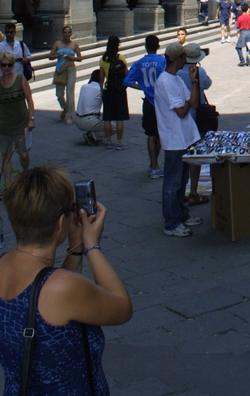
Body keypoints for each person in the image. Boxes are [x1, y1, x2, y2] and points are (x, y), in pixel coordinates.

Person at [0, 166, 132, 393]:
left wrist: (76, 248)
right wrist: (92, 246)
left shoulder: (5, 265)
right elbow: (122, 308)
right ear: (61, 223)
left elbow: (46, 292)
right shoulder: (62, 288)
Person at [154, 42, 202, 237]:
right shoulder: (165, 81)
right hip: (174, 138)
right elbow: (183, 110)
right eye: (183, 57)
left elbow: (194, 103)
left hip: (185, 136)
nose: (186, 61)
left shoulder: (176, 79)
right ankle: (172, 222)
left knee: (182, 181)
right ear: (177, 58)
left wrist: (193, 81)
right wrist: (186, 102)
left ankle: (181, 214)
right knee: (173, 183)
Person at [123, 34, 166, 177]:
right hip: (160, 101)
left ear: (146, 46)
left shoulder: (139, 63)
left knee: (150, 134)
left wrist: (141, 87)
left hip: (148, 101)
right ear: (158, 45)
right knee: (159, 133)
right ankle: (155, 164)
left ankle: (153, 164)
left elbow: (127, 81)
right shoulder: (163, 61)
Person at [177, 44, 213, 206]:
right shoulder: (200, 71)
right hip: (197, 119)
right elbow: (207, 84)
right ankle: (193, 191)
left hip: (179, 120)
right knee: (195, 157)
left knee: (181, 157)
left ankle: (180, 191)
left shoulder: (175, 73)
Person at [0, 52, 35, 187]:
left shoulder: (20, 79)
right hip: (4, 124)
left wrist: (31, 118)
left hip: (21, 123)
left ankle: (25, 173)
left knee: (23, 155)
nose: (6, 68)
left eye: (9, 65)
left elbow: (29, 99)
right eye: (4, 65)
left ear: (13, 65)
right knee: (6, 155)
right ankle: (8, 186)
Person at [99, 36, 129, 151]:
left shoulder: (103, 59)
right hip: (119, 90)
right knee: (119, 118)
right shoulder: (120, 57)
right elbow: (126, 73)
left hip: (108, 89)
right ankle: (119, 142)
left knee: (107, 117)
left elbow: (101, 77)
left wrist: (101, 89)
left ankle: (109, 141)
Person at [49, 25, 83, 125]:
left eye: (69, 32)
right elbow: (50, 56)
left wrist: (73, 58)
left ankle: (70, 116)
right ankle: (65, 109)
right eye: (65, 32)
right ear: (62, 33)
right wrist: (57, 55)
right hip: (60, 69)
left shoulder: (74, 44)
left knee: (70, 93)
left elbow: (80, 58)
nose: (67, 34)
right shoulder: (57, 44)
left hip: (71, 68)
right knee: (59, 94)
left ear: (71, 34)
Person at [73, 70, 105, 145]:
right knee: (114, 128)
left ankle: (93, 134)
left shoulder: (83, 87)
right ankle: (94, 136)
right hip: (89, 120)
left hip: (77, 119)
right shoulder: (100, 90)